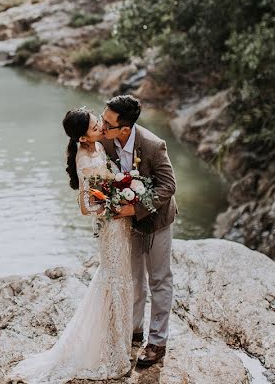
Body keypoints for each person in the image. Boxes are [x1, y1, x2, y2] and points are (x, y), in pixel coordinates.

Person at [8, 109, 136, 383]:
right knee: (113, 282)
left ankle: (119, 343)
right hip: (111, 226)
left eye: (98, 122)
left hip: (120, 225)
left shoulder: (98, 147)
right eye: (94, 126)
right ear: (82, 137)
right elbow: (87, 205)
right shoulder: (85, 159)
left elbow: (108, 182)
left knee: (121, 280)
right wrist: (115, 206)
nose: (100, 126)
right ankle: (111, 350)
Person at [101, 94, 178, 367]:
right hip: (126, 225)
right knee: (133, 278)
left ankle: (157, 342)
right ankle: (134, 330)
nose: (101, 126)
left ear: (125, 129)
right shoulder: (106, 139)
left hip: (157, 221)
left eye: (107, 123)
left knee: (159, 279)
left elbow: (168, 186)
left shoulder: (154, 145)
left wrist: (134, 209)